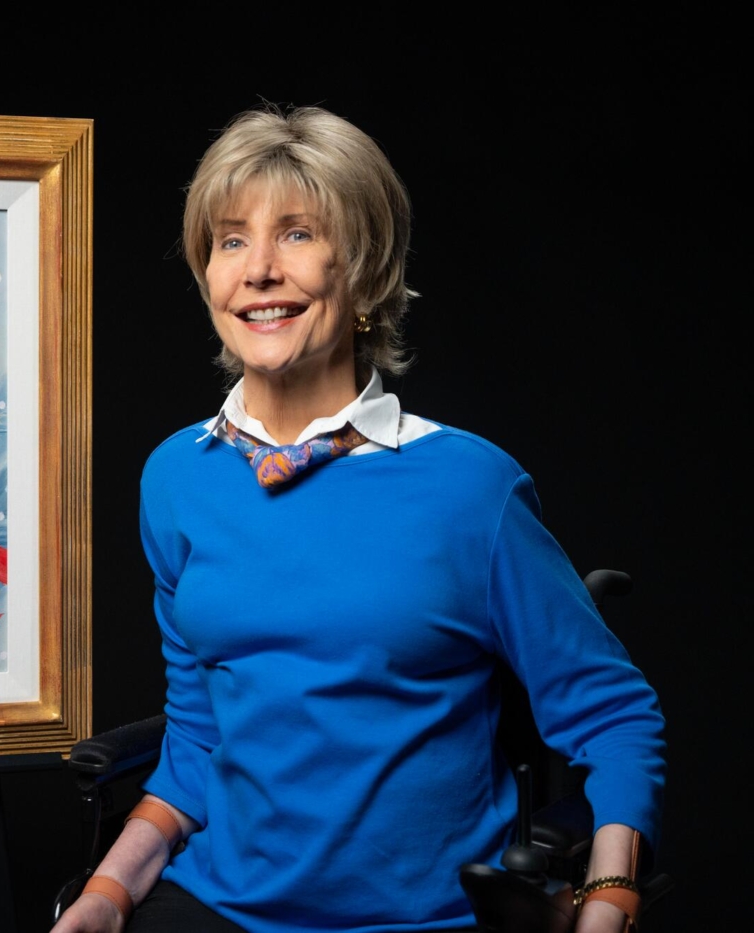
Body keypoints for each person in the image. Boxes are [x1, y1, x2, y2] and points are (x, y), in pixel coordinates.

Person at [51, 105, 665, 933]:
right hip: (223, 905)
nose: (259, 269)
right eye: (231, 240)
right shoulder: (176, 478)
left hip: (427, 919)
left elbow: (612, 713)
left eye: (297, 234)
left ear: (365, 270)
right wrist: (106, 892)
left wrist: (609, 895)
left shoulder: (469, 486)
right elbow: (195, 741)